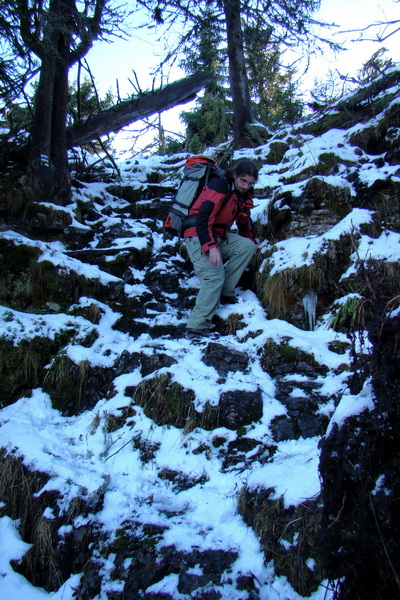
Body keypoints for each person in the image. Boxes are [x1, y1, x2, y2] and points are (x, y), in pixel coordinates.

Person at [183, 159, 259, 337]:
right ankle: (197, 325)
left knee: (247, 247)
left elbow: (244, 222)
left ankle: (226, 292)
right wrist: (211, 247)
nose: (246, 186)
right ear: (235, 175)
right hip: (197, 234)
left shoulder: (244, 195)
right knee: (214, 277)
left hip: (219, 234)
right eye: (243, 181)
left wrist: (252, 240)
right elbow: (203, 218)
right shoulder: (219, 186)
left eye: (250, 183)